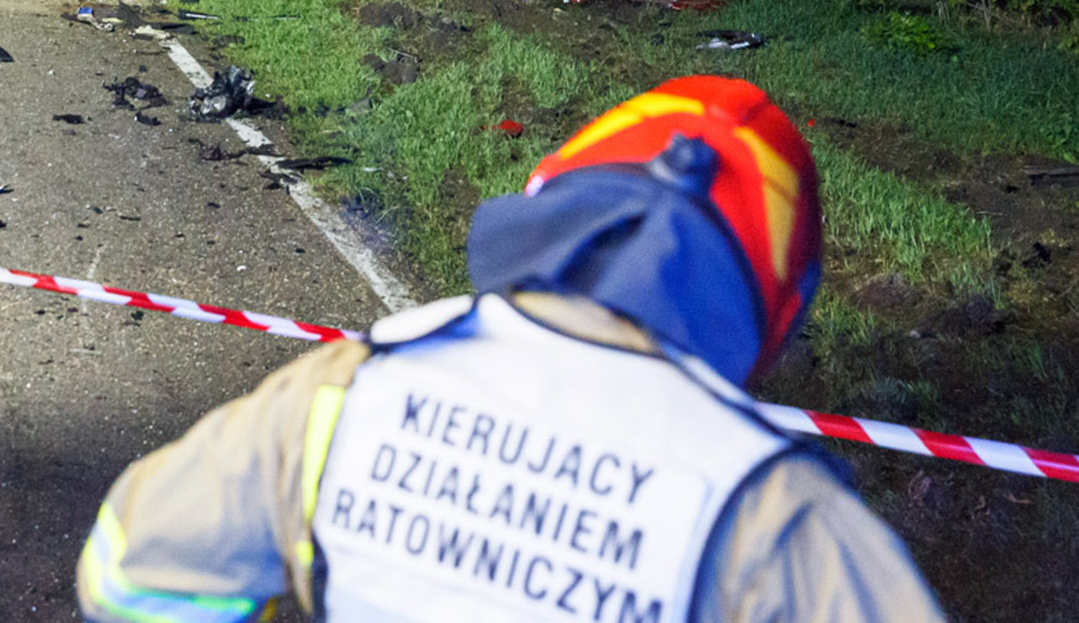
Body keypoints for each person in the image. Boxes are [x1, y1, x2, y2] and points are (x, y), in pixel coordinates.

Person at [79, 76, 946, 623]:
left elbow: (127, 574)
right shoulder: (778, 516)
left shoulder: (348, 393)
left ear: (547, 198)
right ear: (774, 304)